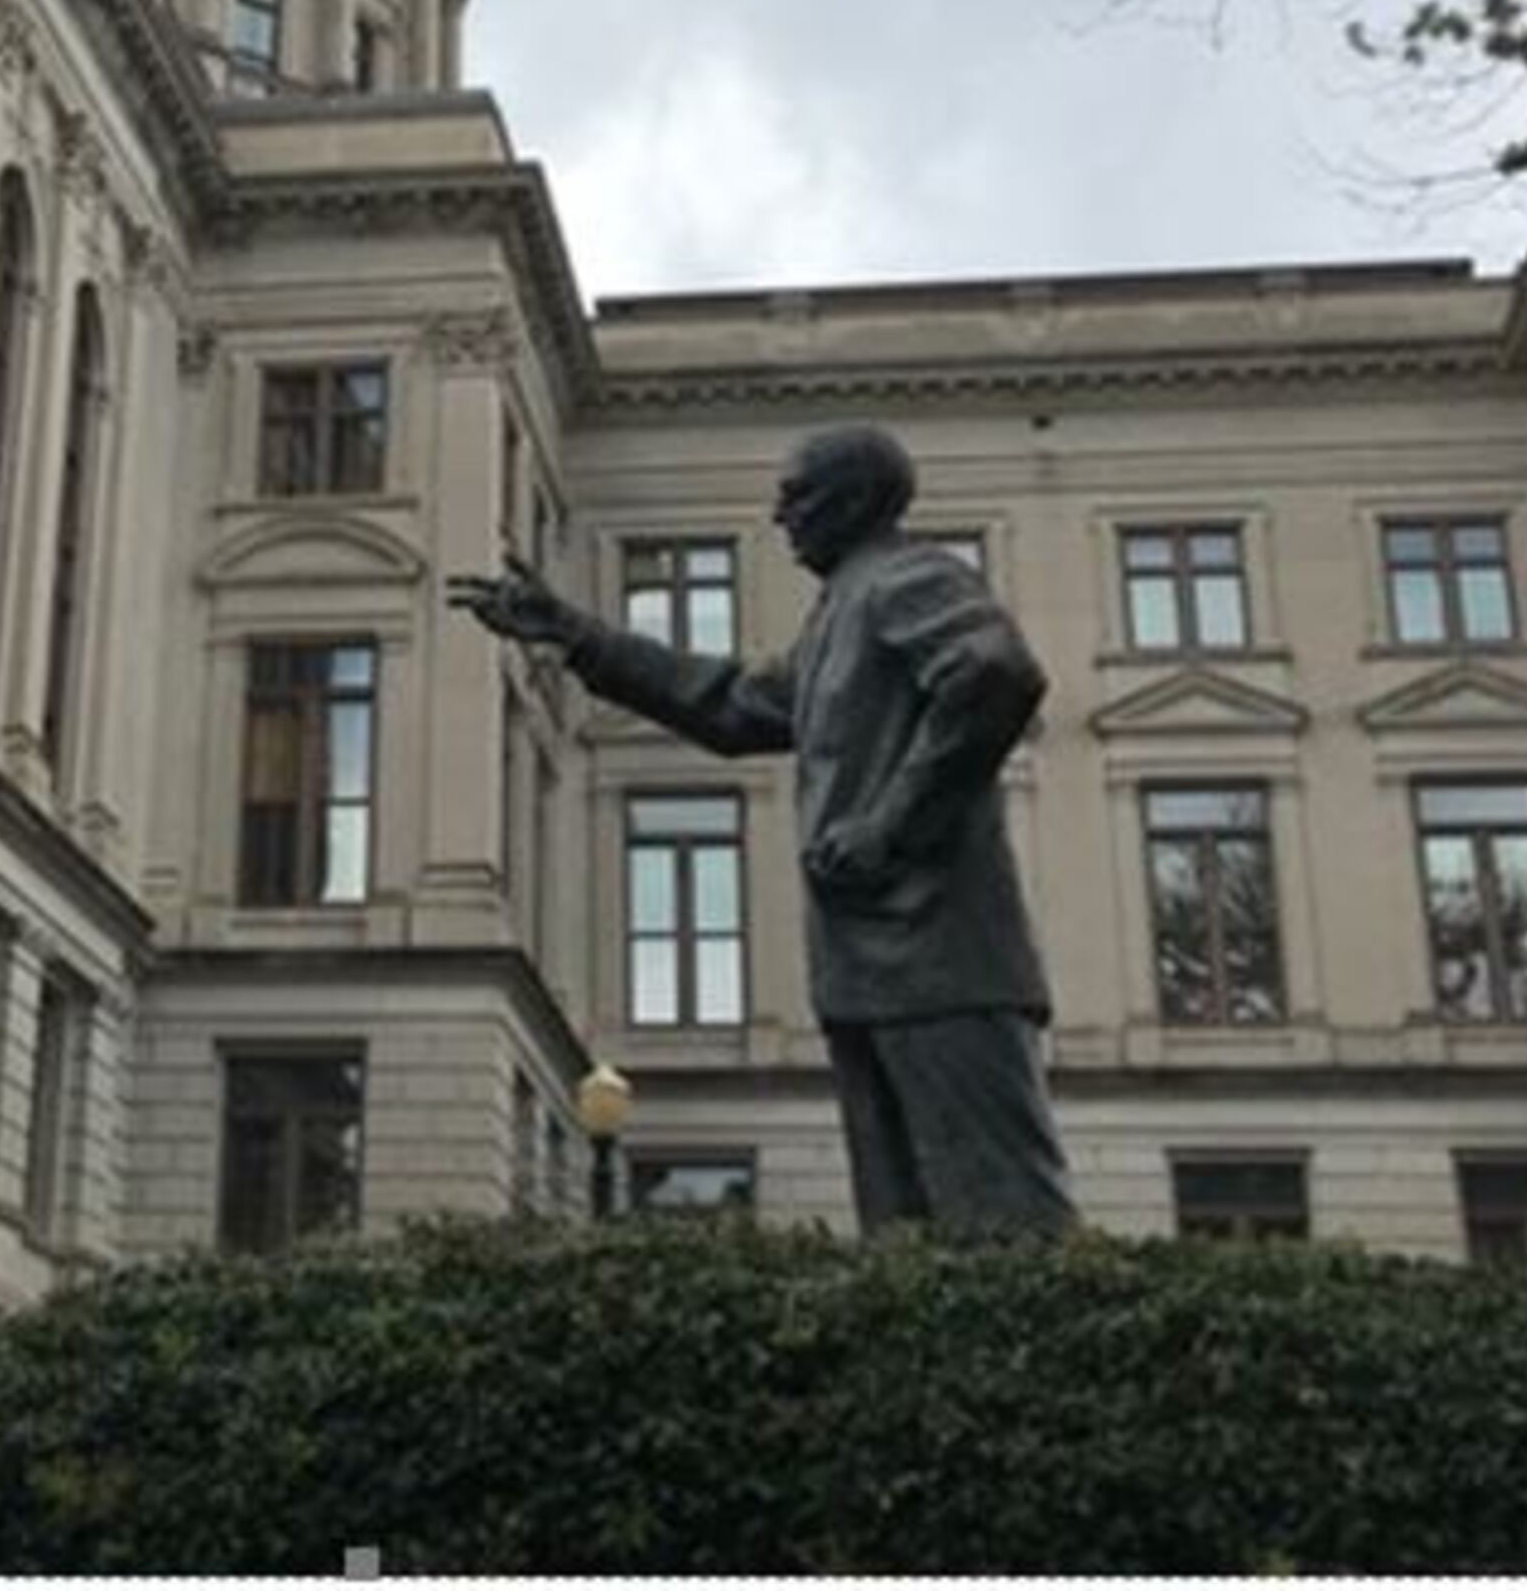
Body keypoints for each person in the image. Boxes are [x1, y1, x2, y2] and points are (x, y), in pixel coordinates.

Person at [449, 423, 1074, 1234]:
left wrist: (889, 824)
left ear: (852, 502)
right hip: (870, 965)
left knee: (1004, 1214)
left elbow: (997, 673)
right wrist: (576, 634)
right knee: (904, 1228)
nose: (780, 518)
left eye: (796, 497)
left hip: (944, 957)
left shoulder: (910, 577)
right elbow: (731, 703)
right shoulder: (837, 617)